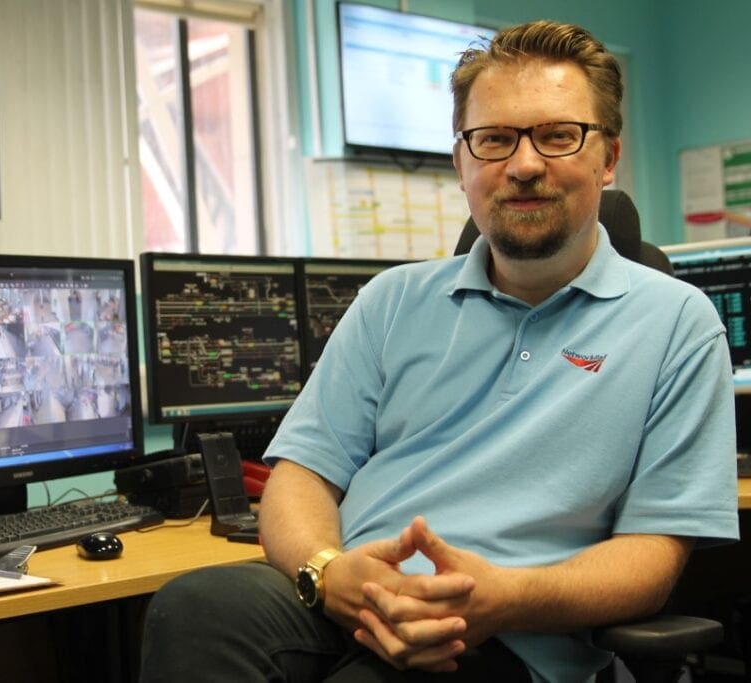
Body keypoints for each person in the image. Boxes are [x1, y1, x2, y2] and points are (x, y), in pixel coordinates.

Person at [138, 20, 739, 683]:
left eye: (558, 135)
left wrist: (502, 597)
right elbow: (300, 477)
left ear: (608, 157)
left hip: (513, 630)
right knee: (194, 606)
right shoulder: (390, 300)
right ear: (461, 163)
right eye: (494, 139)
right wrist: (327, 569)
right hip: (351, 595)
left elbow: (652, 557)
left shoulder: (677, 324)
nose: (525, 164)